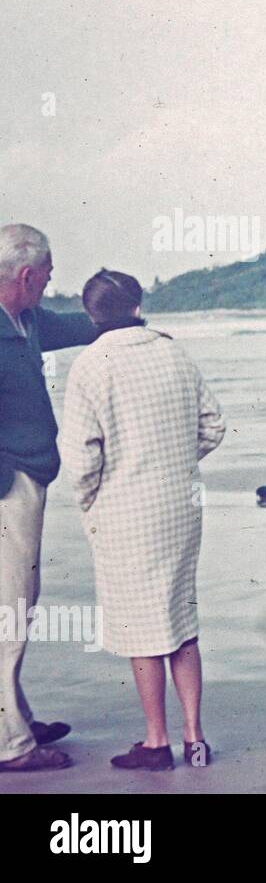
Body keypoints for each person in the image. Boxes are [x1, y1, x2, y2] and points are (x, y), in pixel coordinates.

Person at [58, 270, 225, 771]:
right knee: (180, 618)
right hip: (179, 505)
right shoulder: (174, 352)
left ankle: (157, 742)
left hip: (125, 510)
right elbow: (213, 426)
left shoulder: (90, 366)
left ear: (91, 315)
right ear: (137, 304)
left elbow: (82, 457)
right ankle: (195, 738)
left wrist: (90, 500)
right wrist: (177, 460)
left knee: (142, 627)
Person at [0, 224, 99, 774]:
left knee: (16, 603)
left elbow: (75, 327)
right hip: (8, 488)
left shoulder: (28, 319)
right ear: (25, 274)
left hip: (24, 481)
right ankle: (10, 744)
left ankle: (13, 718)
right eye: (47, 278)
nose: (49, 285)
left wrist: (123, 319)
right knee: (9, 609)